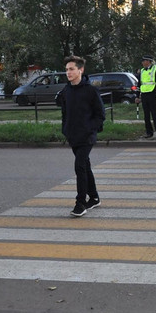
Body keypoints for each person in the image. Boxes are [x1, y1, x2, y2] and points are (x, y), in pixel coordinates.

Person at [56, 55, 106, 217]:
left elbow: (101, 115)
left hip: (87, 136)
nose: (68, 73)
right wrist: (66, 129)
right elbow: (64, 110)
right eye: (66, 70)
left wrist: (89, 128)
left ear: (80, 70)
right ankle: (94, 197)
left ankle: (80, 203)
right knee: (85, 166)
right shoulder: (67, 90)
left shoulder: (91, 90)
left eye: (71, 69)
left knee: (79, 166)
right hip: (73, 135)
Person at [135, 55, 156, 139]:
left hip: (153, 94)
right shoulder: (142, 71)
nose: (143, 62)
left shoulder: (155, 69)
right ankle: (149, 132)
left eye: (144, 61)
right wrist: (137, 96)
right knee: (146, 115)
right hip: (144, 95)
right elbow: (139, 85)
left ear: (149, 61)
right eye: (142, 61)